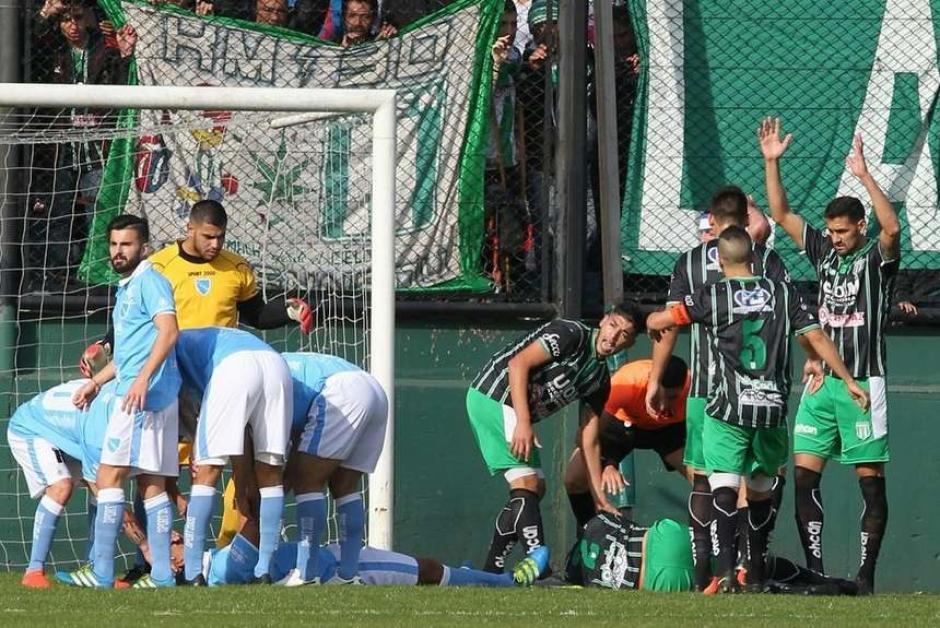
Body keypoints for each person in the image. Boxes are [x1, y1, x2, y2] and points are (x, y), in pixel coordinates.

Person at [646, 226, 870, 592]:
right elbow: (814, 335)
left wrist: (652, 321)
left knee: (723, 484)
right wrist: (846, 379)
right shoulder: (782, 293)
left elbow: (668, 318)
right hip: (770, 407)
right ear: (754, 258)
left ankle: (724, 575)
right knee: (763, 486)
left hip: (728, 405)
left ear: (719, 260)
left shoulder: (712, 295)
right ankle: (757, 572)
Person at [759, 119, 900, 594]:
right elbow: (779, 211)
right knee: (803, 475)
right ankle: (816, 571)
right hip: (821, 384)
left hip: (864, 382)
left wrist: (864, 177)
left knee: (869, 482)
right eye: (831, 231)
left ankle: (865, 576)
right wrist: (772, 161)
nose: (835, 237)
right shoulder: (822, 252)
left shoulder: (874, 260)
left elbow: (892, 226)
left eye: (843, 231)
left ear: (859, 227)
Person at [646, 185, 790, 590]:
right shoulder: (766, 261)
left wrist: (657, 379)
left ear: (710, 219)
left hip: (705, 389)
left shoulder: (689, 263)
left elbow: (670, 323)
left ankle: (705, 571)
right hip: (761, 390)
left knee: (703, 478)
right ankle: (750, 566)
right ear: (746, 222)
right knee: (758, 479)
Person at [467, 304, 638, 573]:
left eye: (625, 335)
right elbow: (518, 364)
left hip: (509, 408)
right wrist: (524, 423)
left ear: (631, 342)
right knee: (528, 483)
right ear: (604, 321)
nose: (615, 337)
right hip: (495, 396)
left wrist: (600, 497)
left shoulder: (599, 378)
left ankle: (490, 571)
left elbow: (589, 437)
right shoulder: (570, 334)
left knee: (535, 489)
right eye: (614, 326)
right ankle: (541, 570)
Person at [59, 215, 181, 589]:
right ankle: (161, 575)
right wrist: (96, 382)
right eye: (113, 244)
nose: (117, 251)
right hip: (150, 395)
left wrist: (142, 379)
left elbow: (170, 331)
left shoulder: (150, 281)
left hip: (141, 398)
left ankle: (99, 572)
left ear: (143, 247)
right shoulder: (127, 288)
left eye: (126, 244)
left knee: (107, 477)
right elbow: (128, 354)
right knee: (152, 484)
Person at [173, 327, 292, 585]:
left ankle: (193, 572)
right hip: (276, 366)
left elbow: (177, 406)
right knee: (270, 475)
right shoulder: (202, 339)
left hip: (233, 369)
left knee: (206, 471)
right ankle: (264, 570)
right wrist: (242, 481)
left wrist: (194, 448)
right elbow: (241, 432)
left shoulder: (168, 348)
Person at [275, 352, 389, 586]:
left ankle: (306, 574)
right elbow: (298, 438)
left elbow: (278, 462)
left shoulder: (257, 379)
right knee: (344, 487)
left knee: (307, 480)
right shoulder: (278, 364)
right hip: (373, 390)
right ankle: (348, 575)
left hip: (341, 392)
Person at [563, 511, 858, 595]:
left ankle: (782, 591)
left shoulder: (582, 577)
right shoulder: (596, 523)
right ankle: (823, 578)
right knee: (744, 565)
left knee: (723, 589)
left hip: (652, 583)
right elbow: (624, 519)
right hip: (662, 543)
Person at [7, 380, 114, 588]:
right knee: (62, 486)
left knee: (104, 490)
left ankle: (96, 568)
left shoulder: (112, 400)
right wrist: (145, 545)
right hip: (32, 428)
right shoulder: (103, 414)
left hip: (69, 435)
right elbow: (106, 494)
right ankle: (33, 571)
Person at [564, 356, 690, 531]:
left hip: (668, 430)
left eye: (672, 398)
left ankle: (710, 541)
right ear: (650, 383)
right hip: (620, 426)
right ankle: (589, 535)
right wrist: (608, 462)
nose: (663, 405)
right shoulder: (626, 383)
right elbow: (586, 435)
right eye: (660, 396)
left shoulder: (693, 389)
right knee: (574, 479)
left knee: (704, 477)